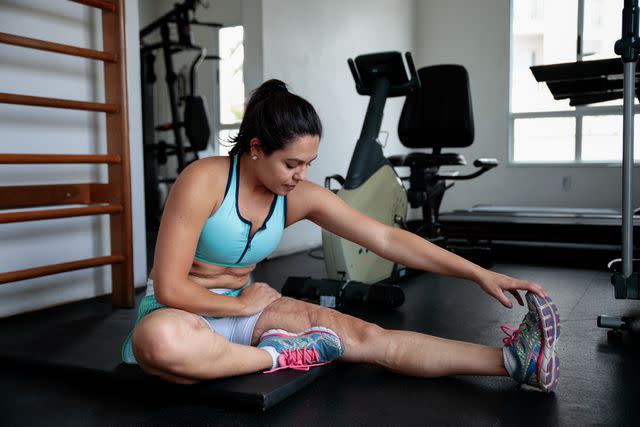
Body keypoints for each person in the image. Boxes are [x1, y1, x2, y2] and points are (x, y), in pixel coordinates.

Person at [122, 79, 560, 392]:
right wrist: (240, 303)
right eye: (291, 164)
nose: (301, 176)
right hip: (181, 313)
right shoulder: (203, 181)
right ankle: (280, 355)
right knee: (160, 344)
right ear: (255, 149)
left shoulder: (296, 194)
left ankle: (513, 361)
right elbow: (173, 285)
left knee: (368, 338)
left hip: (248, 312)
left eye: (309, 163)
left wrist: (479, 273)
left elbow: (386, 239)